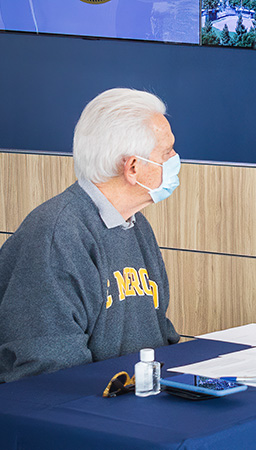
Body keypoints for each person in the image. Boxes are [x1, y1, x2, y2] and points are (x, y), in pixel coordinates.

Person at [0, 88, 180, 382]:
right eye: (167, 152)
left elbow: (160, 334)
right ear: (133, 167)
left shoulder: (136, 225)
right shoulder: (56, 236)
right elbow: (50, 371)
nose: (175, 159)